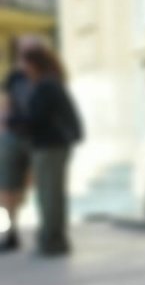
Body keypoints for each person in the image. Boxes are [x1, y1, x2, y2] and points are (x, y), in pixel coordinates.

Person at [20, 45, 83, 256]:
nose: (23, 68)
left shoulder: (46, 85)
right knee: (50, 193)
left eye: (25, 63)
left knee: (50, 195)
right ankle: (52, 238)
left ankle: (53, 240)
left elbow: (38, 118)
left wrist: (13, 121)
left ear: (34, 64)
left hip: (51, 145)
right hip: (50, 145)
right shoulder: (48, 83)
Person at [0, 36, 37, 252]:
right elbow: (5, 103)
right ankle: (11, 232)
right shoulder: (13, 77)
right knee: (6, 187)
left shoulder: (44, 75)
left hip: (36, 138)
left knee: (25, 187)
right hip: (11, 137)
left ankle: (23, 228)